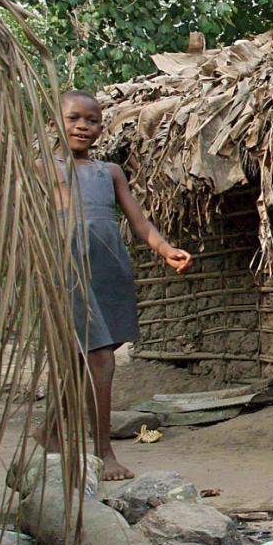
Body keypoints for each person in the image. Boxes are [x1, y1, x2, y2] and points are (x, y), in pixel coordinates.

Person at [50, 90, 193, 480]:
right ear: (53, 123)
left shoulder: (109, 172)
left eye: (92, 120)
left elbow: (139, 222)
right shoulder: (43, 169)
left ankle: (49, 433)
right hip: (69, 269)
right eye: (74, 118)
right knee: (100, 359)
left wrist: (165, 249)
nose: (83, 126)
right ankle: (104, 453)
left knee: (91, 354)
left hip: (109, 268)